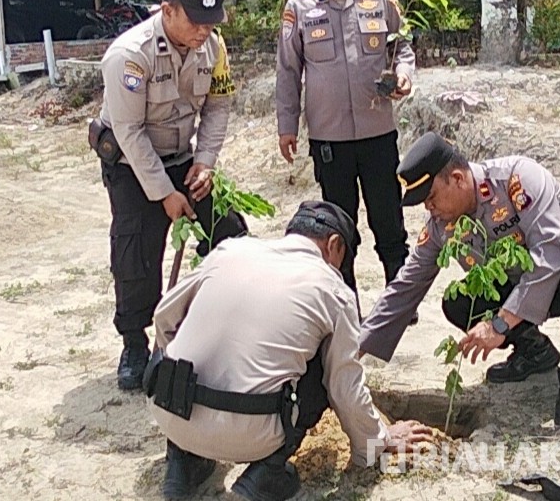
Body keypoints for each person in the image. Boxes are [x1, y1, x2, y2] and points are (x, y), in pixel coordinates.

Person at [145, 200, 434, 501]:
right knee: (325, 363)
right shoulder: (333, 290)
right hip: (254, 434)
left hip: (171, 413)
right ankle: (264, 476)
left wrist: (180, 377)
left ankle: (182, 463)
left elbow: (164, 318)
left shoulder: (229, 251)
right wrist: (375, 444)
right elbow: (344, 387)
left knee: (189, 340)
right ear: (334, 245)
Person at [360, 133, 560, 427]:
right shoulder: (442, 225)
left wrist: (498, 325)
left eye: (430, 198)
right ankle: (535, 352)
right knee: (459, 301)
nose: (429, 209)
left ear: (457, 179)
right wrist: (353, 351)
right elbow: (406, 286)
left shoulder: (517, 179)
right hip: (528, 288)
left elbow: (550, 256)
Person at [95, 0, 248, 391]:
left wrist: (206, 162)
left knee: (230, 233)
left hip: (184, 157)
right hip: (132, 163)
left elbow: (218, 107)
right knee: (136, 252)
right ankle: (134, 344)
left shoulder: (213, 48)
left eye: (211, 23)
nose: (204, 31)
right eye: (196, 22)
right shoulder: (129, 55)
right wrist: (164, 194)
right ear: (167, 10)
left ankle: (220, 326)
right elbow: (128, 132)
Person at [275, 0, 415, 307]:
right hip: (329, 137)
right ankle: (344, 298)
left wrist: (404, 75)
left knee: (388, 214)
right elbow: (288, 71)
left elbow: (402, 47)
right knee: (339, 220)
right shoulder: (299, 8)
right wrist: (287, 126)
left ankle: (400, 297)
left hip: (377, 131)